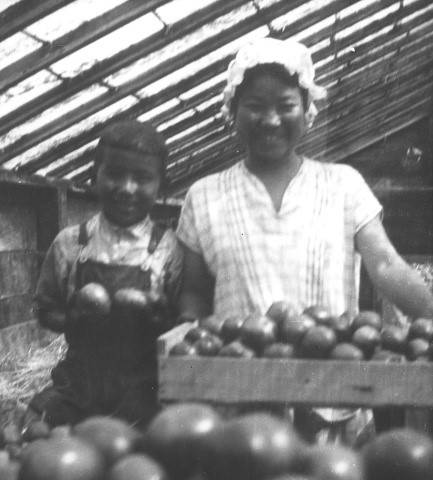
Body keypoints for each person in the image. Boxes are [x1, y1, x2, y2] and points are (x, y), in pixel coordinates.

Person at [176, 37, 433, 443]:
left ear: (307, 109)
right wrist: (191, 356)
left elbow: (385, 265)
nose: (271, 119)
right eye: (255, 106)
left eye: (285, 105)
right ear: (233, 111)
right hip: (239, 404)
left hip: (334, 396)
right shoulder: (203, 195)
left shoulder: (343, 184)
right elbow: (192, 294)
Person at [26, 120, 182, 428]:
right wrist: (74, 315)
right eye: (113, 174)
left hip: (144, 388)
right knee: (35, 431)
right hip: (77, 385)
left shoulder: (170, 249)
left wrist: (160, 319)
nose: (126, 188)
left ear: (161, 185)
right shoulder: (70, 243)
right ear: (93, 175)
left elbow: (181, 325)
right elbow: (46, 312)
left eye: (142, 178)